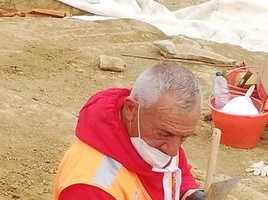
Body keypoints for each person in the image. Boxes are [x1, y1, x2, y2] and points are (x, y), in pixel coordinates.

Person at [54, 63, 204, 200]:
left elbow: (176, 171)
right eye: (164, 134)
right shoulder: (91, 187)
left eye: (184, 138)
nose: (173, 150)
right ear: (131, 109)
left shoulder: (164, 134)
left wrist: (189, 193)